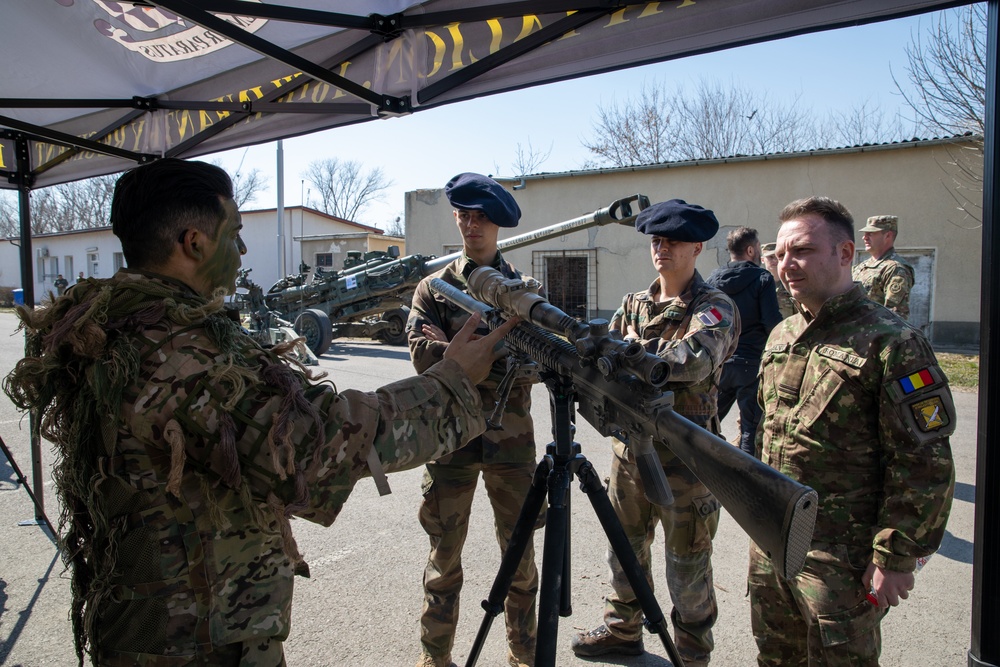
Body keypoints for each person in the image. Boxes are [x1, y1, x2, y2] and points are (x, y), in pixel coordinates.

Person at [2, 158, 515, 667]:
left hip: (175, 621)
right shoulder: (172, 350)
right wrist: (450, 382)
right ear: (193, 243)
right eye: (235, 232)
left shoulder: (131, 324)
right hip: (192, 640)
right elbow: (317, 445)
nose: (243, 249)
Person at [749, 196, 955, 665]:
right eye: (780, 255)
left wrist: (897, 557)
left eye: (801, 251)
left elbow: (923, 461)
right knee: (775, 656)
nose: (786, 265)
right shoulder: (782, 335)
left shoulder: (893, 342)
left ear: (845, 254)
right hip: (774, 542)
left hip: (842, 557)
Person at [571, 199, 739, 667]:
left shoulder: (715, 307)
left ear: (698, 247)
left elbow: (691, 361)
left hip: (688, 461)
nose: (662, 249)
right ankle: (623, 630)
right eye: (656, 241)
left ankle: (691, 653)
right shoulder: (634, 303)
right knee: (624, 549)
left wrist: (632, 355)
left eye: (674, 241)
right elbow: (603, 358)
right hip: (629, 452)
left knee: (687, 568)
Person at [407, 173, 541, 667]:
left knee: (520, 561)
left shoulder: (522, 291)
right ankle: (435, 657)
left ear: (497, 225)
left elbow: (539, 362)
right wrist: (494, 351)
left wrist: (460, 354)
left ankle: (524, 655)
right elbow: (423, 358)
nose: (470, 224)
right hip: (449, 443)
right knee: (444, 561)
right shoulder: (434, 286)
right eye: (463, 215)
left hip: (511, 446)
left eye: (480, 217)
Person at [706, 227, 782, 456]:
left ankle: (699, 469)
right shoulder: (762, 278)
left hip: (720, 363)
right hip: (751, 364)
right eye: (758, 249)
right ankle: (748, 478)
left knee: (708, 421)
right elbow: (771, 321)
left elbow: (706, 320)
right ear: (750, 249)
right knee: (751, 427)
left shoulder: (712, 279)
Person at [852, 215, 915, 320]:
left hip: (873, 334)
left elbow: (895, 315)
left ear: (888, 236)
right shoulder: (860, 267)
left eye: (870, 233)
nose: (864, 237)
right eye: (864, 233)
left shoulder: (895, 269)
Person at [761, 242, 796, 318]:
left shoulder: (791, 282)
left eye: (778, 256)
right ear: (762, 260)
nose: (775, 260)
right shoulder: (760, 284)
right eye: (770, 257)